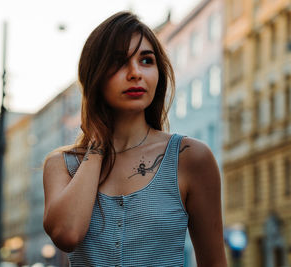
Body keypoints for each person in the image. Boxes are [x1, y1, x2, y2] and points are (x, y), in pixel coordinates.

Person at [43, 11, 227, 266]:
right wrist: (96, 145)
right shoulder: (62, 165)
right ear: (94, 76)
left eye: (146, 60)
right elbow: (67, 234)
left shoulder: (189, 158)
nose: (135, 73)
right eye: (119, 62)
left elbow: (214, 263)